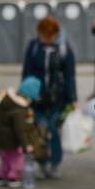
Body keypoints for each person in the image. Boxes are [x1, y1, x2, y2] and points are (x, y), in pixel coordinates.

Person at [22, 16, 77, 180]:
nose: (45, 39)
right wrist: (24, 95)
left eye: (48, 36)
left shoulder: (64, 49)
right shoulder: (33, 47)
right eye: (42, 35)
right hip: (37, 99)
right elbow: (26, 72)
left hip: (57, 99)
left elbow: (69, 76)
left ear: (55, 34)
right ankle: (42, 164)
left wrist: (72, 98)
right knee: (40, 132)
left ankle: (54, 164)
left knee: (54, 130)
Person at [0, 76, 42, 188]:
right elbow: (20, 130)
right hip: (12, 141)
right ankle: (13, 177)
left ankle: (1, 176)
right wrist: (26, 145)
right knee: (16, 159)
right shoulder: (19, 111)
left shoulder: (7, 101)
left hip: (1, 138)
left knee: (5, 158)